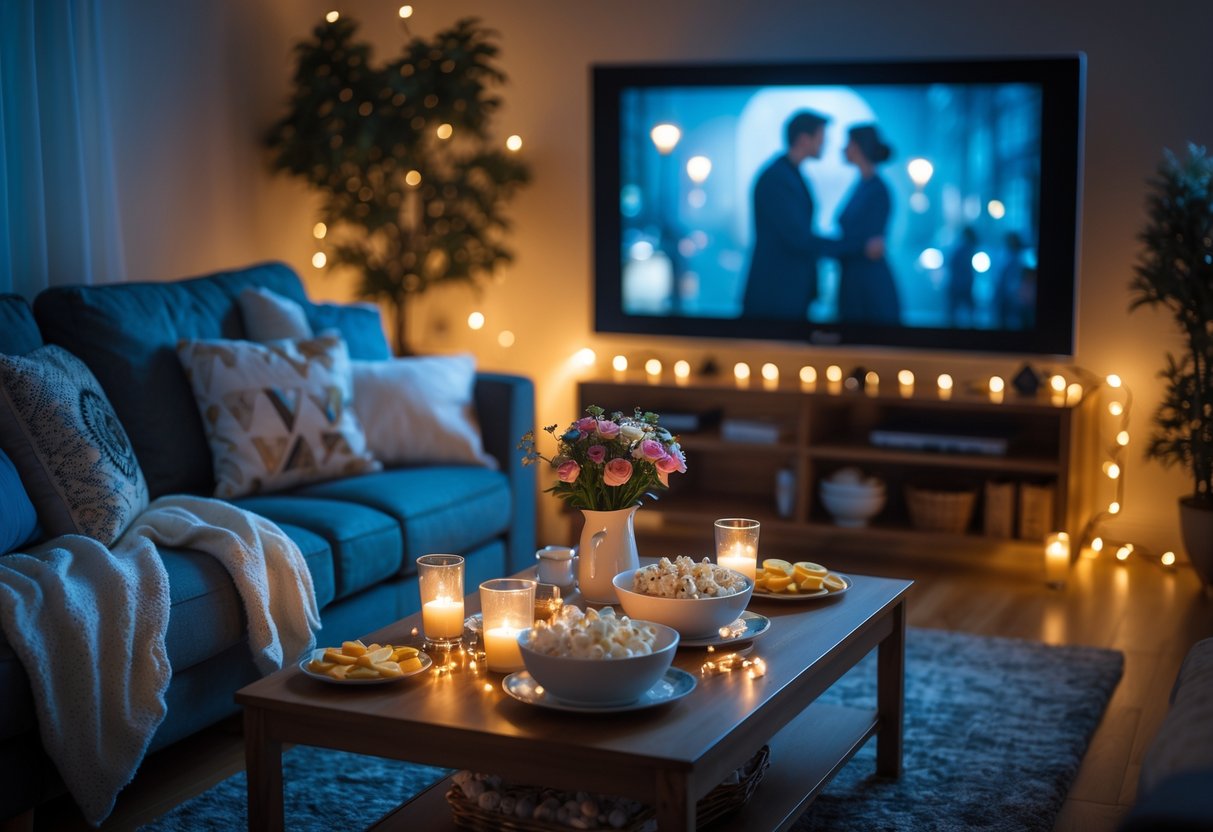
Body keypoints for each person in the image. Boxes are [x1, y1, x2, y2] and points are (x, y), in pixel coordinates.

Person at [834, 124, 901, 325]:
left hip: (868, 284)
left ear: (860, 147)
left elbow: (873, 247)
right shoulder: (863, 186)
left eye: (849, 143)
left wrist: (828, 247)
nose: (844, 149)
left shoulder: (876, 189)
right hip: (855, 278)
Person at [948, 226, 978, 327]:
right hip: (963, 284)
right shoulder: (968, 250)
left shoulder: (963, 249)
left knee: (957, 311)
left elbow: (951, 264)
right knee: (965, 310)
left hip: (960, 284)